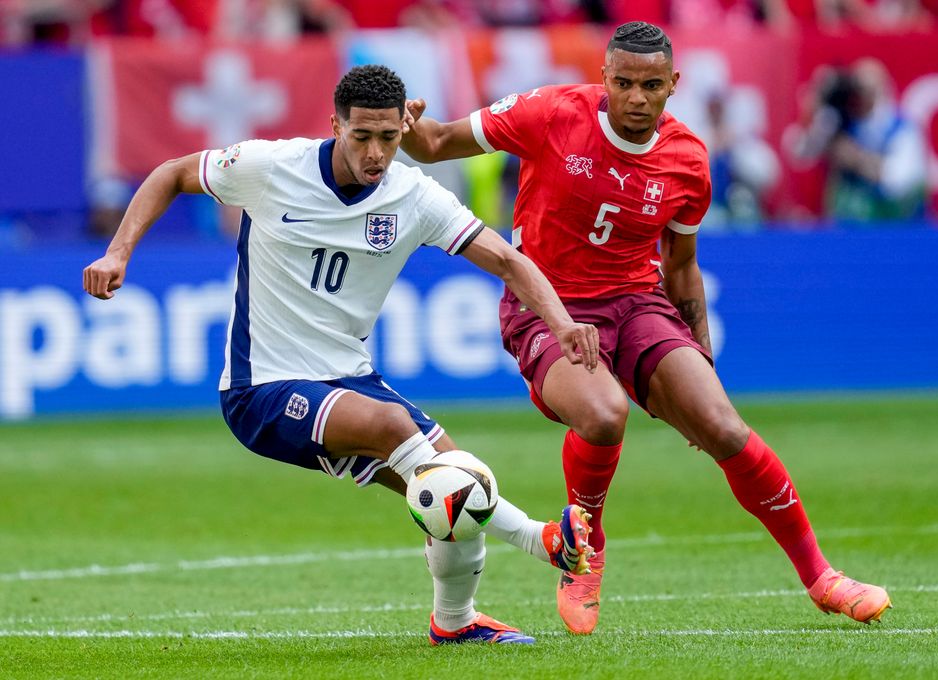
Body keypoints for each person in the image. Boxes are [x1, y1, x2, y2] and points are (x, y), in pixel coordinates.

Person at [400, 21, 892, 634]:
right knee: (605, 413)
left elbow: (681, 268)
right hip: (545, 305)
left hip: (637, 302)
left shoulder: (688, 159)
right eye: (625, 83)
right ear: (604, 77)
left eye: (651, 85)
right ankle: (586, 545)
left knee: (724, 429)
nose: (636, 97)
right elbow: (436, 142)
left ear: (673, 85)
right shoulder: (550, 111)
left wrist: (701, 360)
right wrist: (405, 120)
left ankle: (822, 577)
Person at [82, 64, 600, 646]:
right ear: (335, 125)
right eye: (362, 136)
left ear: (406, 125)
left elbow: (506, 259)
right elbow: (173, 173)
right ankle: (540, 539)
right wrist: (117, 253)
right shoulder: (272, 168)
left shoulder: (416, 195)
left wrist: (560, 323)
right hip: (262, 387)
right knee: (404, 437)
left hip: (350, 379)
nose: (376, 153)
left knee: (461, 484)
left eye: (389, 137)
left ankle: (455, 623)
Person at [785, 59, 927, 223]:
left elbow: (897, 182)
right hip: (848, 228)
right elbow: (798, 152)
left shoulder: (901, 129)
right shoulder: (839, 123)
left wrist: (855, 158)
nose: (861, 97)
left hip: (896, 228)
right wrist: (813, 110)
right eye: (857, 90)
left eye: (868, 90)